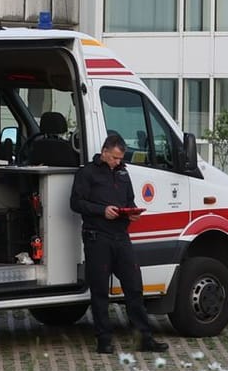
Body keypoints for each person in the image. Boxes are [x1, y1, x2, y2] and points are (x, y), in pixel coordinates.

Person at [70, 133, 169, 355]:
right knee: (100, 291)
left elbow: (129, 200)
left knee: (134, 287)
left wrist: (132, 212)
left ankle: (145, 338)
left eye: (120, 158)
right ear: (105, 152)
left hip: (121, 237)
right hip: (98, 237)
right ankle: (104, 340)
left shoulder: (124, 172)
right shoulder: (87, 173)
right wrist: (101, 211)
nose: (117, 162)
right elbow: (75, 203)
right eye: (114, 158)